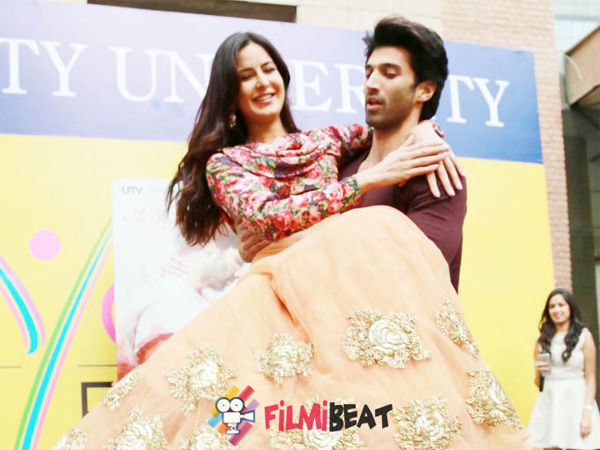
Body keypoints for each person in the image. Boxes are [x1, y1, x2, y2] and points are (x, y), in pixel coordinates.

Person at [51, 22, 528, 450]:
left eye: (268, 69)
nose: (262, 82)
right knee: (223, 423)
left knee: (332, 430)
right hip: (278, 326)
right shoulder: (248, 165)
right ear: (231, 94)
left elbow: (414, 275)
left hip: (370, 361)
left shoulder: (337, 148)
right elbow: (271, 215)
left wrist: (427, 132)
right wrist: (262, 250)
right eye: (245, 76)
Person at [237, 17, 467, 291]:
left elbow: (408, 276)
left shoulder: (433, 172)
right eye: (369, 73)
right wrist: (264, 245)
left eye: (389, 74)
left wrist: (295, 243)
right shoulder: (338, 163)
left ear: (424, 90)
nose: (371, 83)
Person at [527, 288, 600, 449]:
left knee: (578, 445)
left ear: (570, 308)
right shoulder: (542, 340)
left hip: (577, 400)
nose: (556, 310)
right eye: (552, 306)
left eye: (561, 305)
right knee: (550, 445)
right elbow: (539, 384)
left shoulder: (584, 336)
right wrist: (538, 371)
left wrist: (587, 412)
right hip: (550, 401)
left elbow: (590, 379)